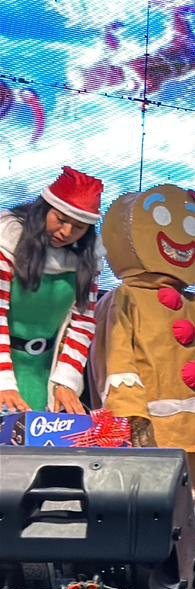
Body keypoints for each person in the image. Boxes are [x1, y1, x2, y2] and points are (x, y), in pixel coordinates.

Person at [92, 184, 195, 489]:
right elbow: (117, 359)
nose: (182, 235)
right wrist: (130, 415)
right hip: (145, 427)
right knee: (137, 507)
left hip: (194, 430)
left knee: (183, 510)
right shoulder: (124, 297)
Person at [0, 166, 103, 415]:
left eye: (78, 227)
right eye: (61, 219)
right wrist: (3, 383)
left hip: (43, 371)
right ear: (44, 210)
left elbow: (82, 323)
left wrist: (65, 382)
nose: (66, 232)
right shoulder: (7, 245)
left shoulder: (86, 262)